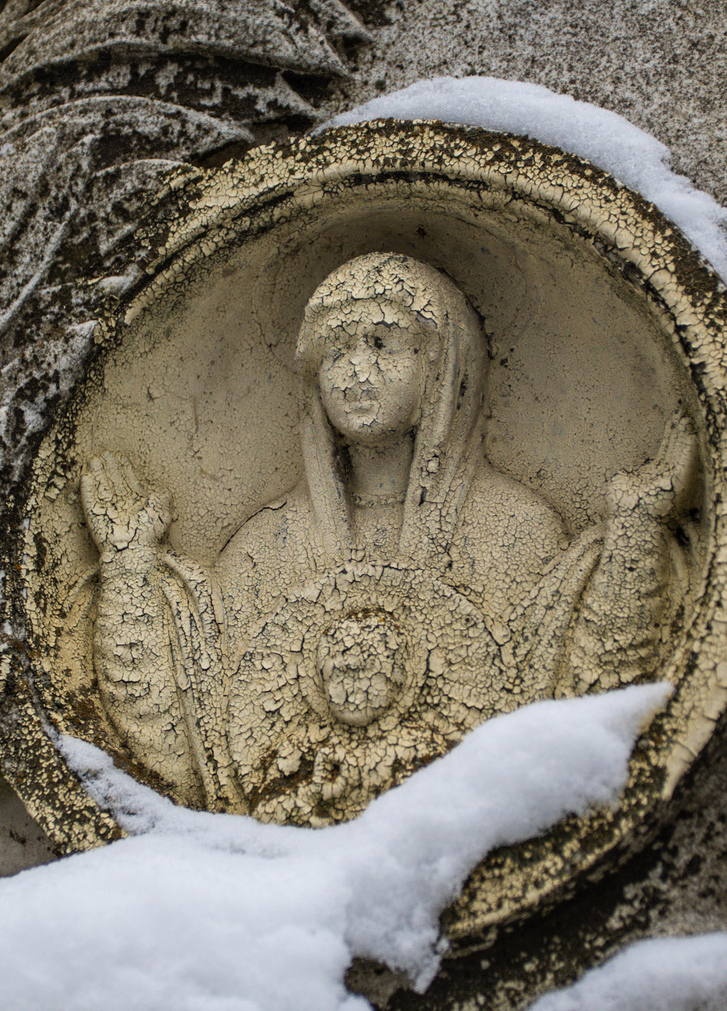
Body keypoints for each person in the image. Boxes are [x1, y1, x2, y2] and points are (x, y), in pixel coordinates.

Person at [82, 252, 694, 820]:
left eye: (383, 344)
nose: (357, 372)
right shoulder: (265, 547)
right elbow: (188, 743)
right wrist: (130, 570)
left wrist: (635, 538)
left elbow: (575, 703)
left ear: (443, 365)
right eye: (336, 352)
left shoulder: (514, 529)